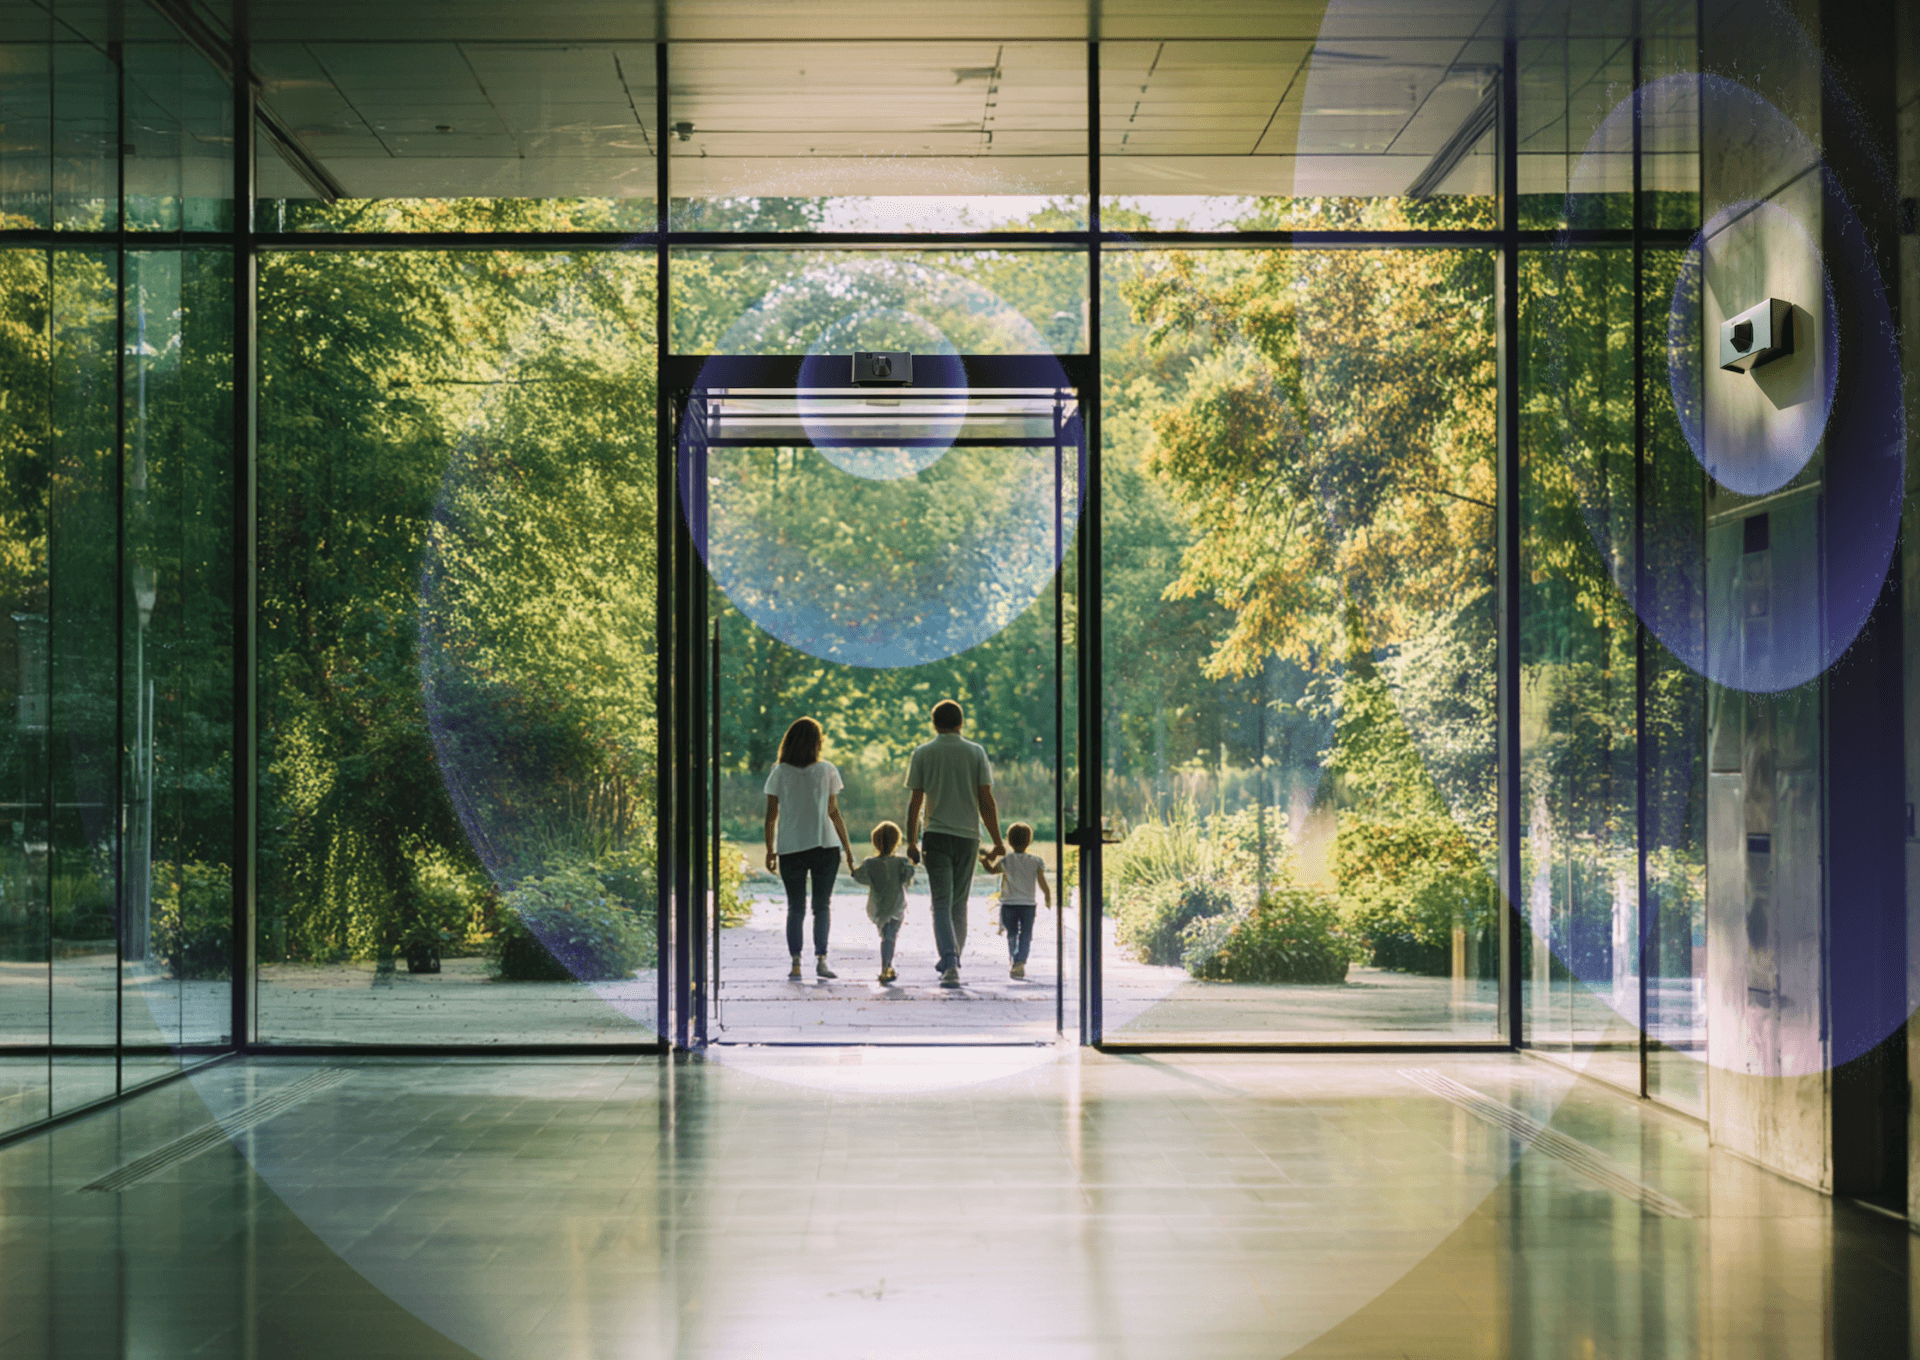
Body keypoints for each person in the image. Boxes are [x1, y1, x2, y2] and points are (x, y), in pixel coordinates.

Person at [905, 699, 1002, 987]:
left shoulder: (923, 753)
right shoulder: (975, 752)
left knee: (941, 903)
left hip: (935, 835)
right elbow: (986, 800)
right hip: (968, 837)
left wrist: (911, 841)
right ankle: (952, 960)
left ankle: (949, 962)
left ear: (934, 723)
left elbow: (915, 802)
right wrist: (997, 840)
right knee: (959, 904)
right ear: (961, 722)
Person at [764, 716, 855, 980]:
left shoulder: (779, 772)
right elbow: (834, 812)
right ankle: (821, 961)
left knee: (795, 907)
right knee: (821, 906)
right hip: (825, 845)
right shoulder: (826, 770)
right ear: (817, 742)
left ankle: (795, 963)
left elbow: (771, 816)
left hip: (790, 848)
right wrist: (848, 849)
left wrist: (770, 849)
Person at [981, 822, 1051, 980]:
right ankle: (1020, 962)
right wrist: (1047, 895)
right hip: (1028, 905)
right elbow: (1042, 881)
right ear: (1029, 841)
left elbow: (991, 870)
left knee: (1012, 934)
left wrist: (984, 860)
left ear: (1009, 841)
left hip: (1008, 904)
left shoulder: (1006, 861)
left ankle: (1014, 960)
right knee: (1026, 934)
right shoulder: (1036, 861)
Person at [851, 820, 915, 984]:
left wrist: (852, 867)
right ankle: (886, 968)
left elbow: (859, 877)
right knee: (889, 936)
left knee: (886, 935)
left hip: (878, 906)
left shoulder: (870, 863)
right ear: (897, 842)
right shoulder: (901, 862)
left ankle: (888, 965)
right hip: (896, 906)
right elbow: (908, 876)